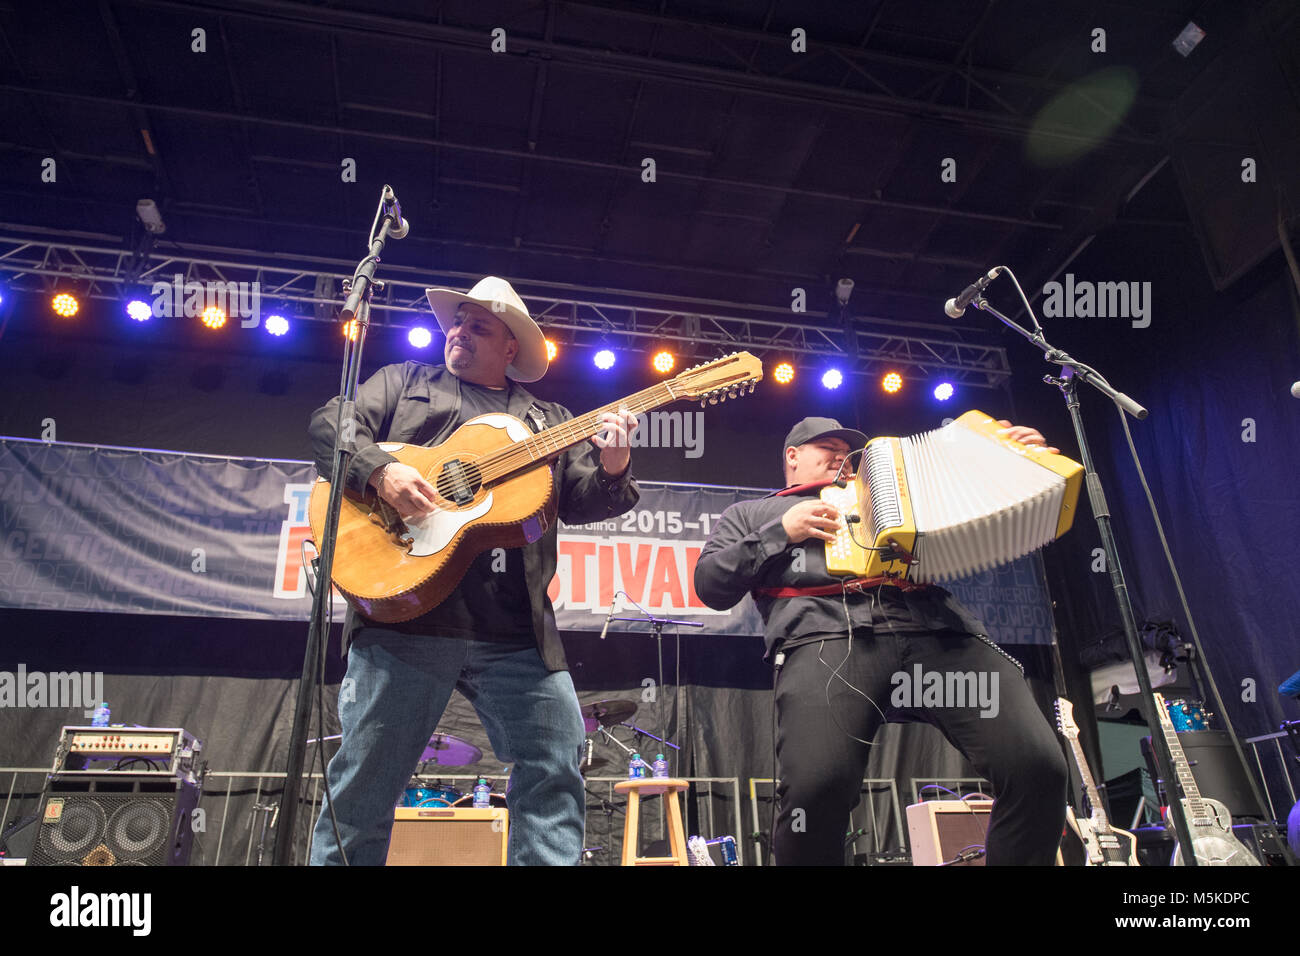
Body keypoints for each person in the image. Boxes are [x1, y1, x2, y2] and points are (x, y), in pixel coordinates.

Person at [307, 276, 640, 865]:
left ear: (511, 347)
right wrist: (380, 471)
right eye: (456, 322)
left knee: (554, 770)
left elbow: (582, 499)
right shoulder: (404, 382)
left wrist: (613, 467)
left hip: (515, 631)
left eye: (477, 325)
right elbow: (331, 423)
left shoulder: (548, 419)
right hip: (405, 619)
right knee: (363, 784)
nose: (458, 332)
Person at [693, 416, 1069, 865]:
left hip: (939, 634)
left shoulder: (896, 497)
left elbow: (984, 501)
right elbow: (710, 585)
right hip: (828, 637)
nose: (839, 455)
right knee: (816, 788)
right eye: (826, 446)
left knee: (1038, 767)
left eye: (846, 450)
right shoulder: (754, 514)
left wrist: (1012, 458)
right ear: (792, 456)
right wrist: (782, 531)